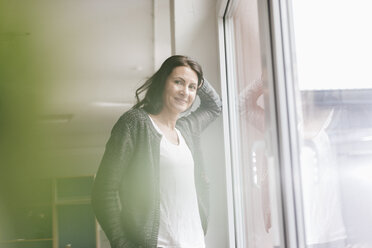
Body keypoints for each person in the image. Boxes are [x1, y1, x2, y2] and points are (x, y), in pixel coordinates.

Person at [91, 55, 222, 248]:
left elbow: (214, 106)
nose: (185, 92)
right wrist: (121, 243)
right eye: (178, 82)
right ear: (163, 82)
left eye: (192, 87)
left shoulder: (186, 129)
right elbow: (103, 191)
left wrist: (195, 76)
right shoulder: (136, 123)